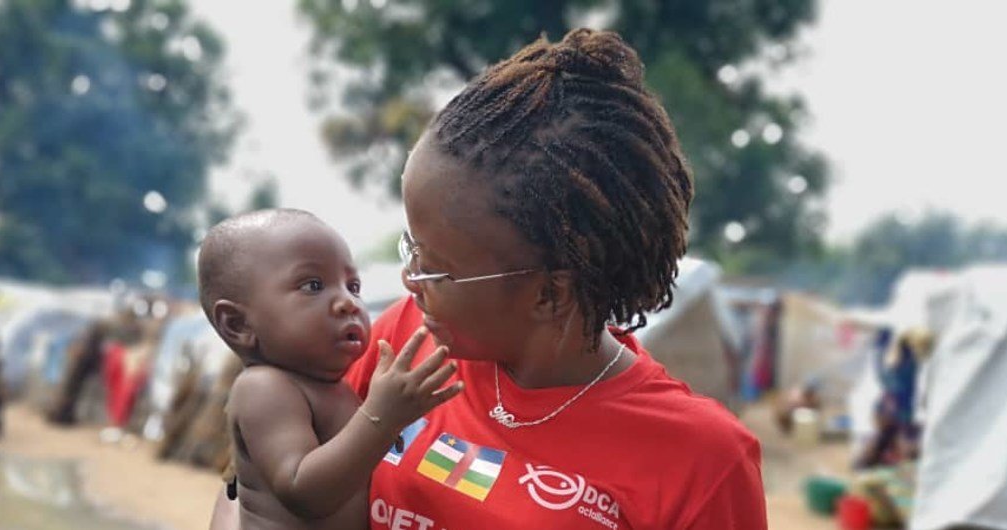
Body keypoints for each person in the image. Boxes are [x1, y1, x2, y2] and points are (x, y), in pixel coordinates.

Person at [211, 28, 765, 529]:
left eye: (435, 266)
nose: (409, 280)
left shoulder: (702, 462)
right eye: (412, 248)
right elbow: (252, 486)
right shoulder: (404, 343)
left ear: (550, 293)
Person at [200, 209, 462, 529]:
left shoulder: (334, 388)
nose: (347, 302)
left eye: (353, 286)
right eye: (313, 285)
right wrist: (381, 422)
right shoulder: (263, 388)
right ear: (238, 324)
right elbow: (304, 492)